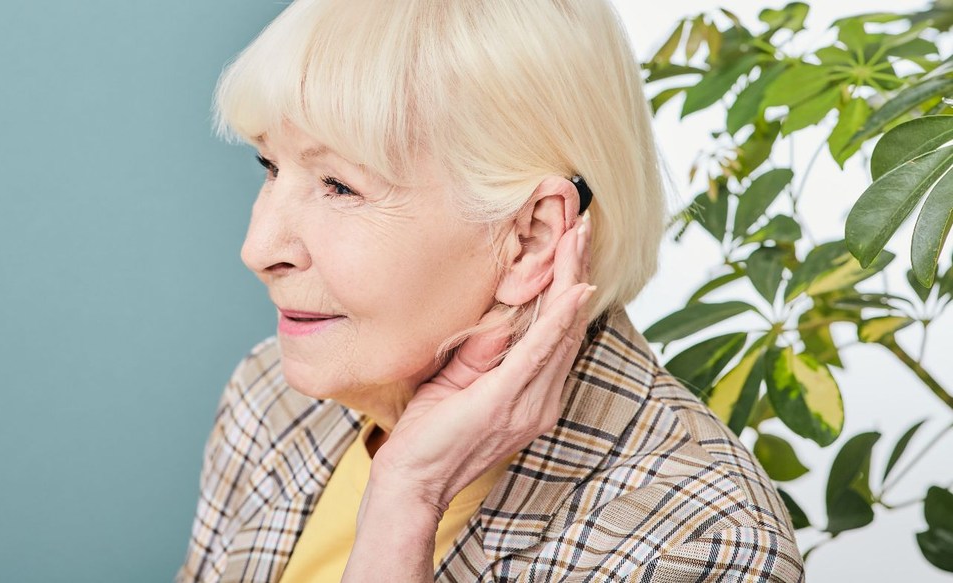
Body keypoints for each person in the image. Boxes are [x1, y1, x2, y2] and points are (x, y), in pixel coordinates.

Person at [177, 0, 804, 581]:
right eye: (271, 166)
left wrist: (406, 502)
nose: (258, 248)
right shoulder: (272, 400)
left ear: (529, 237)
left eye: (339, 185)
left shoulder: (699, 550)